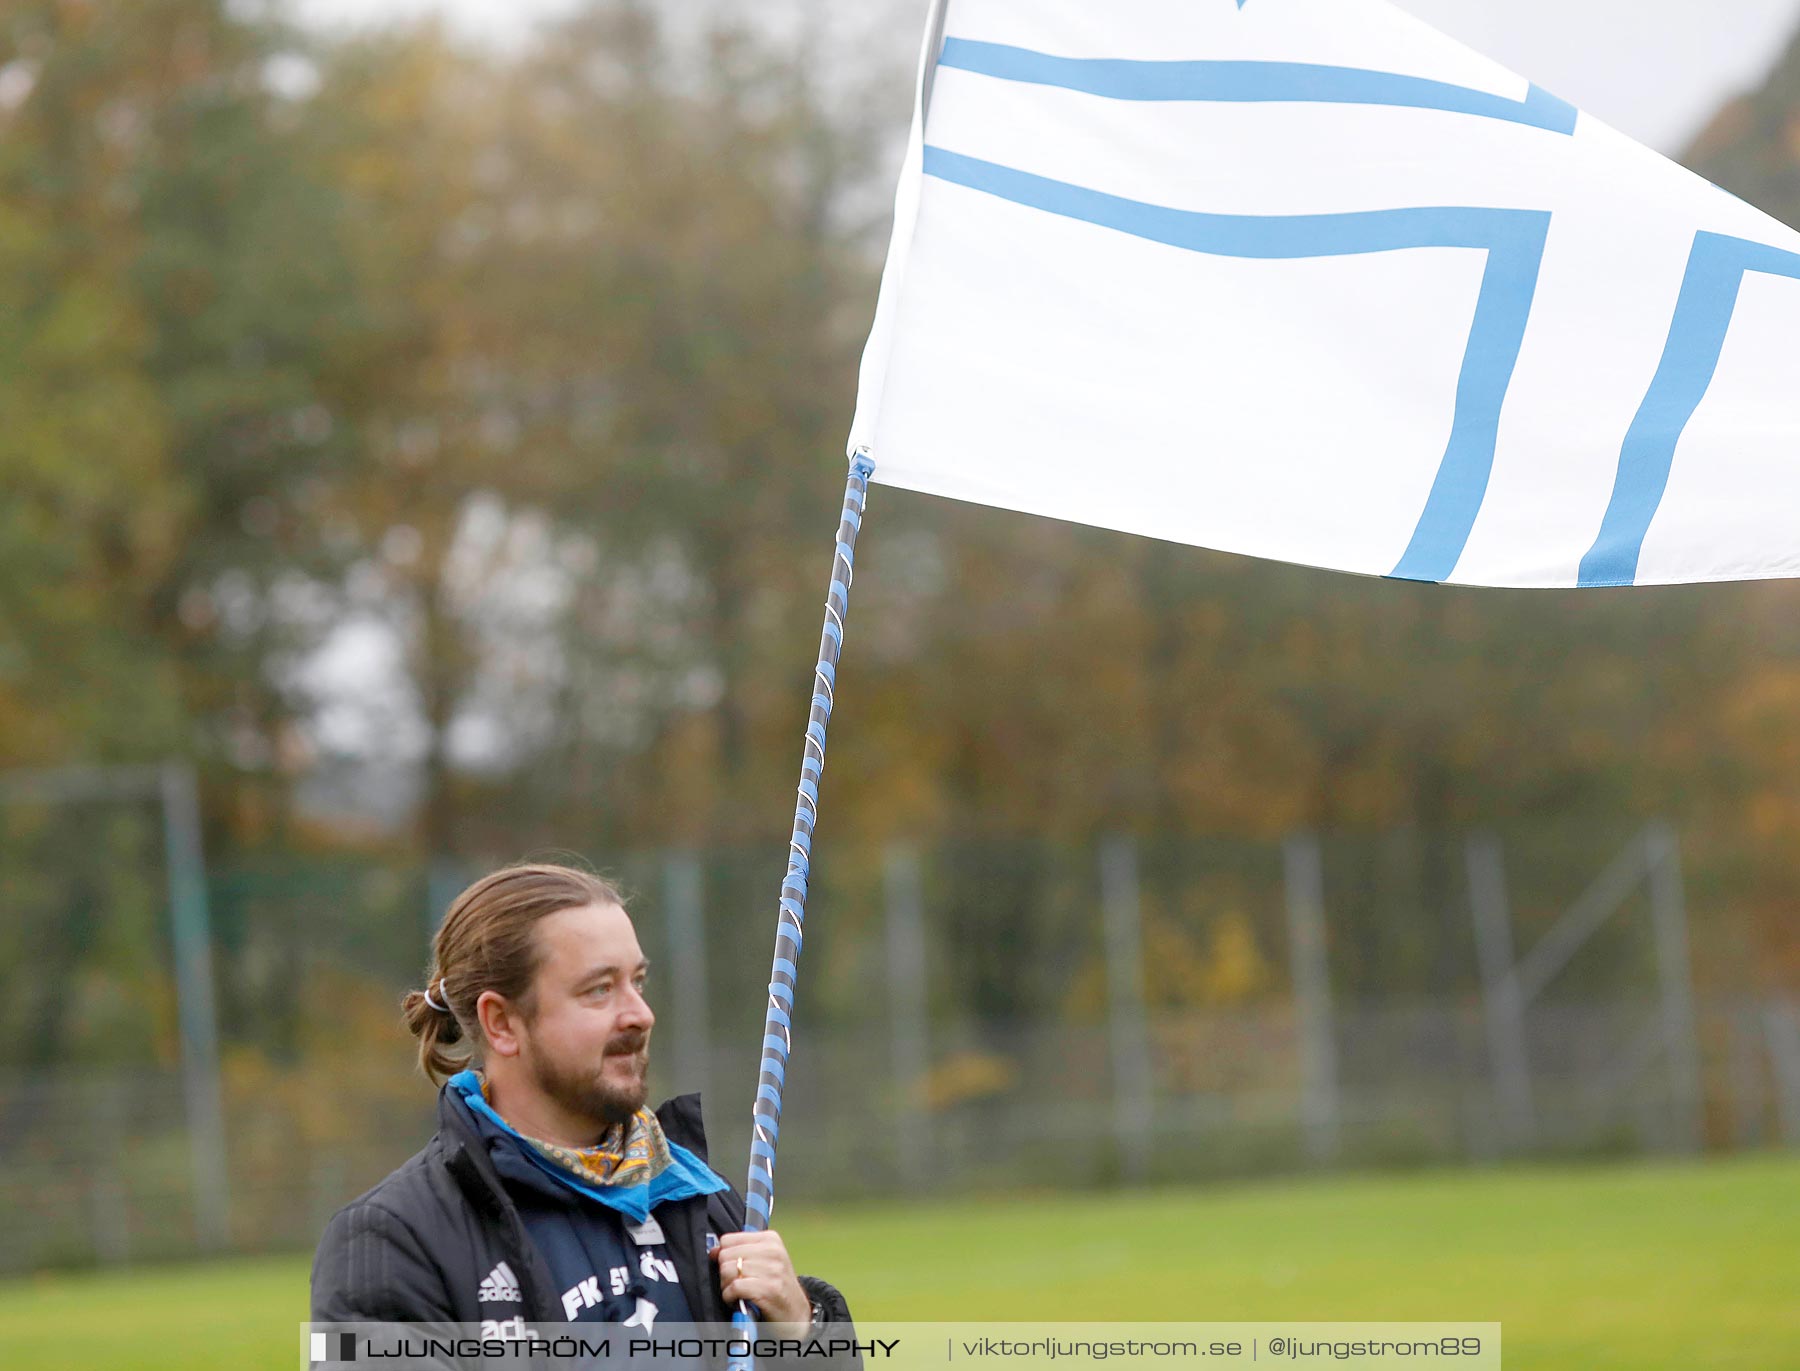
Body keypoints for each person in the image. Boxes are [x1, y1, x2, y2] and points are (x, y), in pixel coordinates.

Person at [311, 862, 851, 1340]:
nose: (640, 1013)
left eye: (637, 981)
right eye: (599, 989)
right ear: (502, 1023)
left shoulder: (699, 1200)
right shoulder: (390, 1242)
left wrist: (803, 1331)